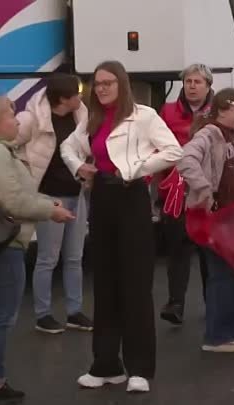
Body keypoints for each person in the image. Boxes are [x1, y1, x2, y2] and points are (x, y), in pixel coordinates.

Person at [61, 60, 183, 393]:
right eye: (97, 83)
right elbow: (68, 147)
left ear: (122, 84)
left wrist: (137, 168)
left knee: (135, 285)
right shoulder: (91, 118)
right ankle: (105, 365)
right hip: (101, 199)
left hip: (132, 200)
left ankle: (140, 368)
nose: (101, 88)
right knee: (105, 284)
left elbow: (173, 149)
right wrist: (79, 167)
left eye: (107, 83)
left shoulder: (143, 115)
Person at [0, 96, 75, 402]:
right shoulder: (1, 155)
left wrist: (45, 202)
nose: (17, 122)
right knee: (3, 318)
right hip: (7, 247)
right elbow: (13, 200)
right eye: (10, 115)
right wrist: (50, 211)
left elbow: (20, 193)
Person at [12, 73, 93, 334]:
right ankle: (42, 314)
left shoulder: (80, 114)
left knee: (74, 257)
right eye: (75, 94)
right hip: (49, 196)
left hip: (76, 193)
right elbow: (8, 144)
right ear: (62, 99)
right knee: (48, 258)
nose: (80, 97)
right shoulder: (32, 119)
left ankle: (74, 311)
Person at [177, 88, 234, 353]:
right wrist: (205, 189)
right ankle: (217, 336)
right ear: (222, 109)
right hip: (218, 216)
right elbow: (186, 159)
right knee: (222, 275)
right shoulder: (209, 134)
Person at [158, 63, 214, 325]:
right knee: (178, 247)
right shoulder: (168, 111)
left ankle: (212, 302)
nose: (192, 86)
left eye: (197, 82)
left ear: (208, 86)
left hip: (206, 188)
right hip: (176, 189)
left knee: (207, 249)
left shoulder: (217, 111)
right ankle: (176, 302)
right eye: (188, 81)